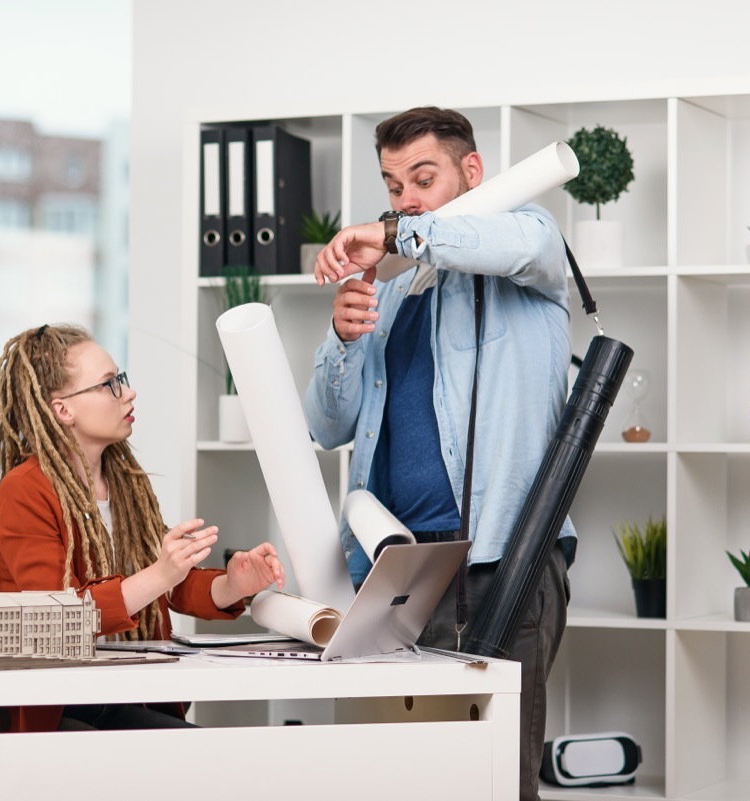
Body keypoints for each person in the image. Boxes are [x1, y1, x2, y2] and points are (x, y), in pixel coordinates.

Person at [304, 106, 572, 801]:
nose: (406, 199)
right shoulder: (389, 291)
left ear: (471, 171)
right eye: (393, 187)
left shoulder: (529, 241)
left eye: (423, 178)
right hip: (400, 575)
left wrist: (395, 232)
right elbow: (327, 424)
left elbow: (519, 245)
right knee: (411, 779)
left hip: (498, 563)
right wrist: (343, 337)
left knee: (496, 778)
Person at [0, 323, 284, 734]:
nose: (128, 392)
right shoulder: (24, 490)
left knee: (205, 754)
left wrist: (234, 585)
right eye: (109, 384)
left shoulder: (125, 481)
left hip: (123, 692)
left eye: (121, 379)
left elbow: (170, 586)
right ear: (63, 410)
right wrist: (161, 573)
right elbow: (57, 614)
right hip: (57, 704)